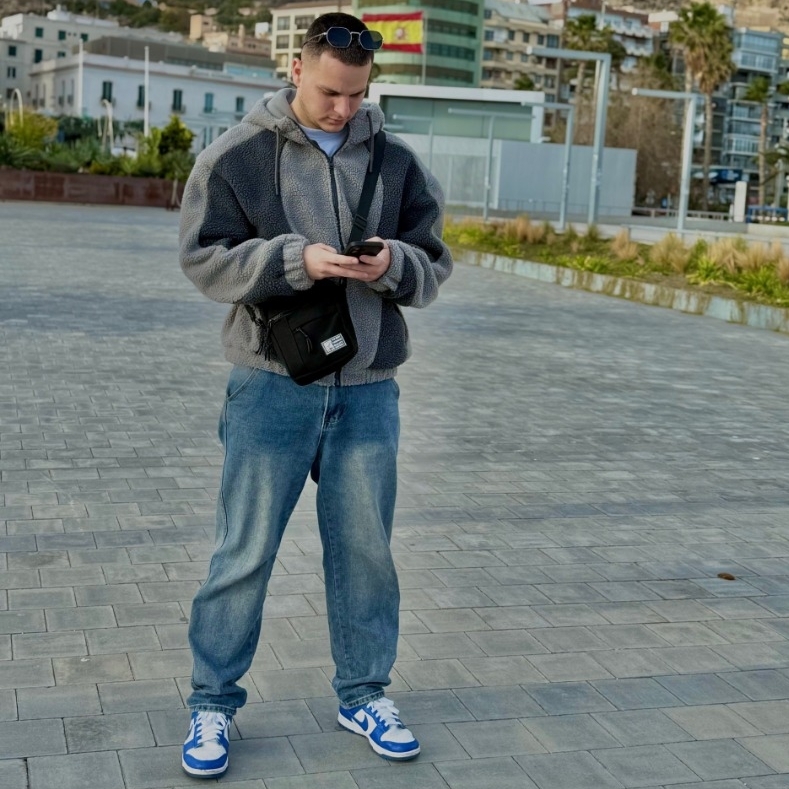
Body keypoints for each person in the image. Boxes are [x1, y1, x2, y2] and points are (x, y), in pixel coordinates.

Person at [177, 11, 452, 778]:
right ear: (296, 69)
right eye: (331, 92)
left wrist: (391, 264)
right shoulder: (236, 155)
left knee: (366, 554)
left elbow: (432, 263)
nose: (343, 108)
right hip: (270, 385)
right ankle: (211, 702)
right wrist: (298, 261)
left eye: (357, 95)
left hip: (368, 390)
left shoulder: (395, 161)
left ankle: (364, 693)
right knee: (243, 552)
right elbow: (202, 258)